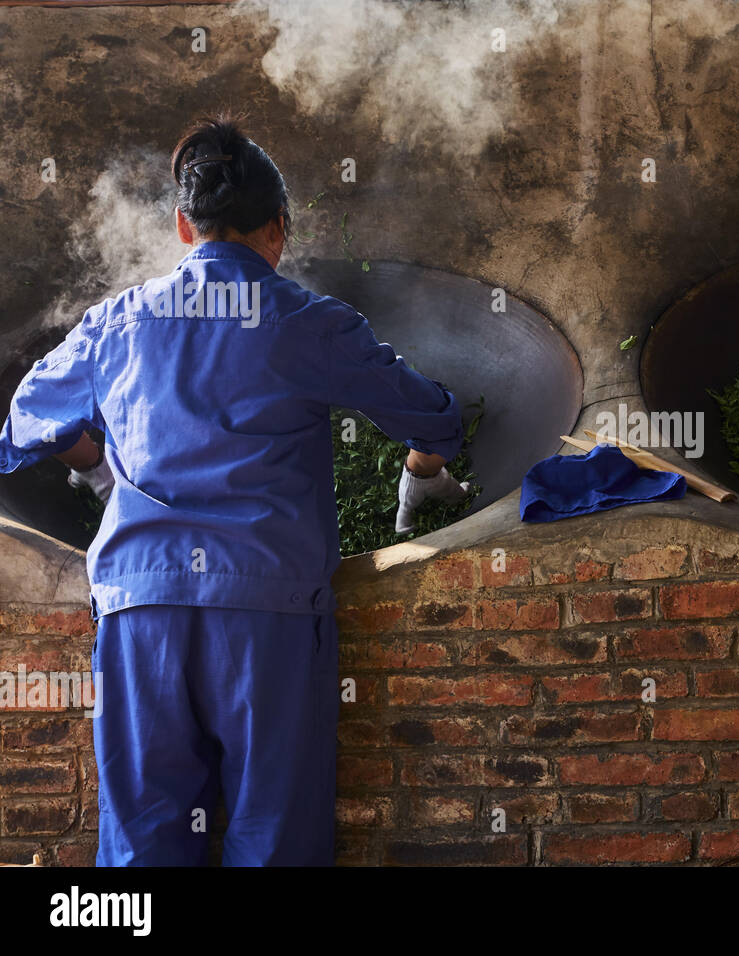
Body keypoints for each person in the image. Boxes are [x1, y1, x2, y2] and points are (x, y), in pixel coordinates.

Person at [0, 115, 471, 865]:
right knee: (274, 843)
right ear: (279, 229)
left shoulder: (115, 324)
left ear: (184, 226)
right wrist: (422, 474)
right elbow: (430, 413)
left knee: (143, 850)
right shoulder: (313, 323)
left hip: (140, 611)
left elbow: (24, 424)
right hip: (266, 616)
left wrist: (95, 464)